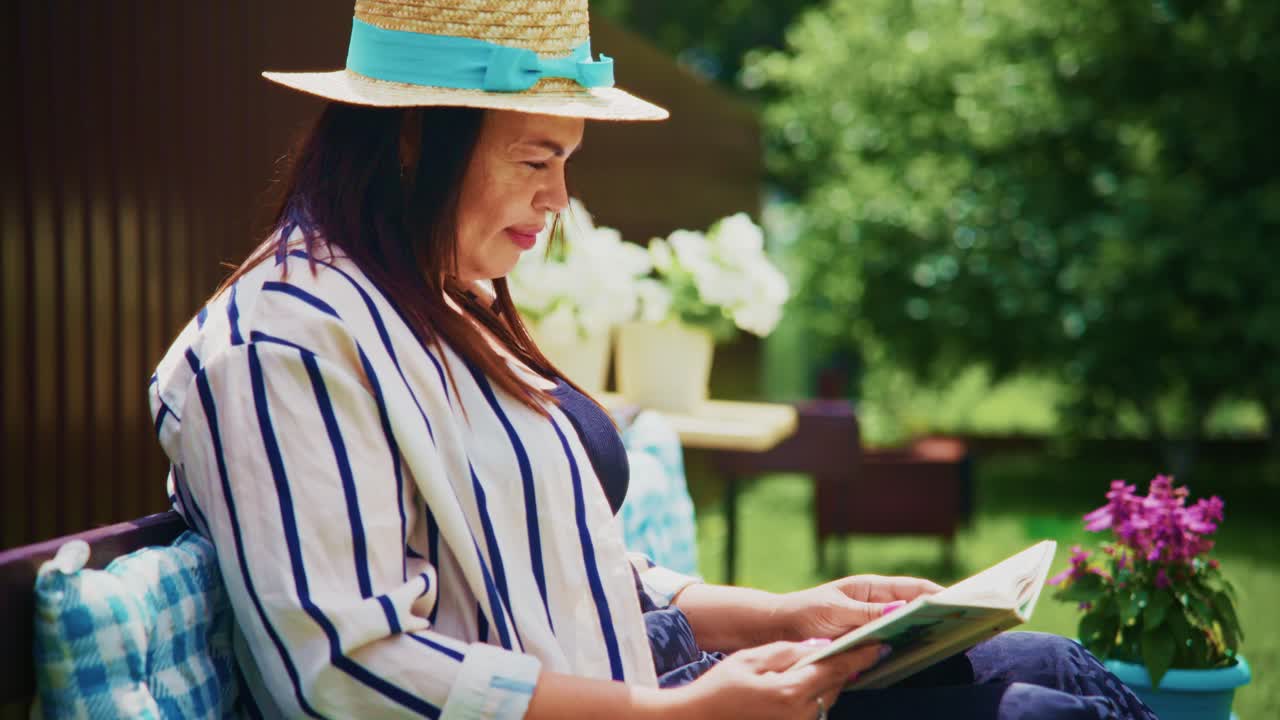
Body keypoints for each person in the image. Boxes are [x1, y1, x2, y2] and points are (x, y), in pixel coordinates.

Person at [147, 1, 1157, 718]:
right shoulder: (283, 345)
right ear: (414, 140)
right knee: (1035, 709)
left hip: (645, 685)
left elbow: (563, 570)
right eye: (536, 159)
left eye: (567, 164)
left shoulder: (436, 301)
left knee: (1049, 664)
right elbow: (347, 673)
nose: (557, 199)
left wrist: (782, 613)